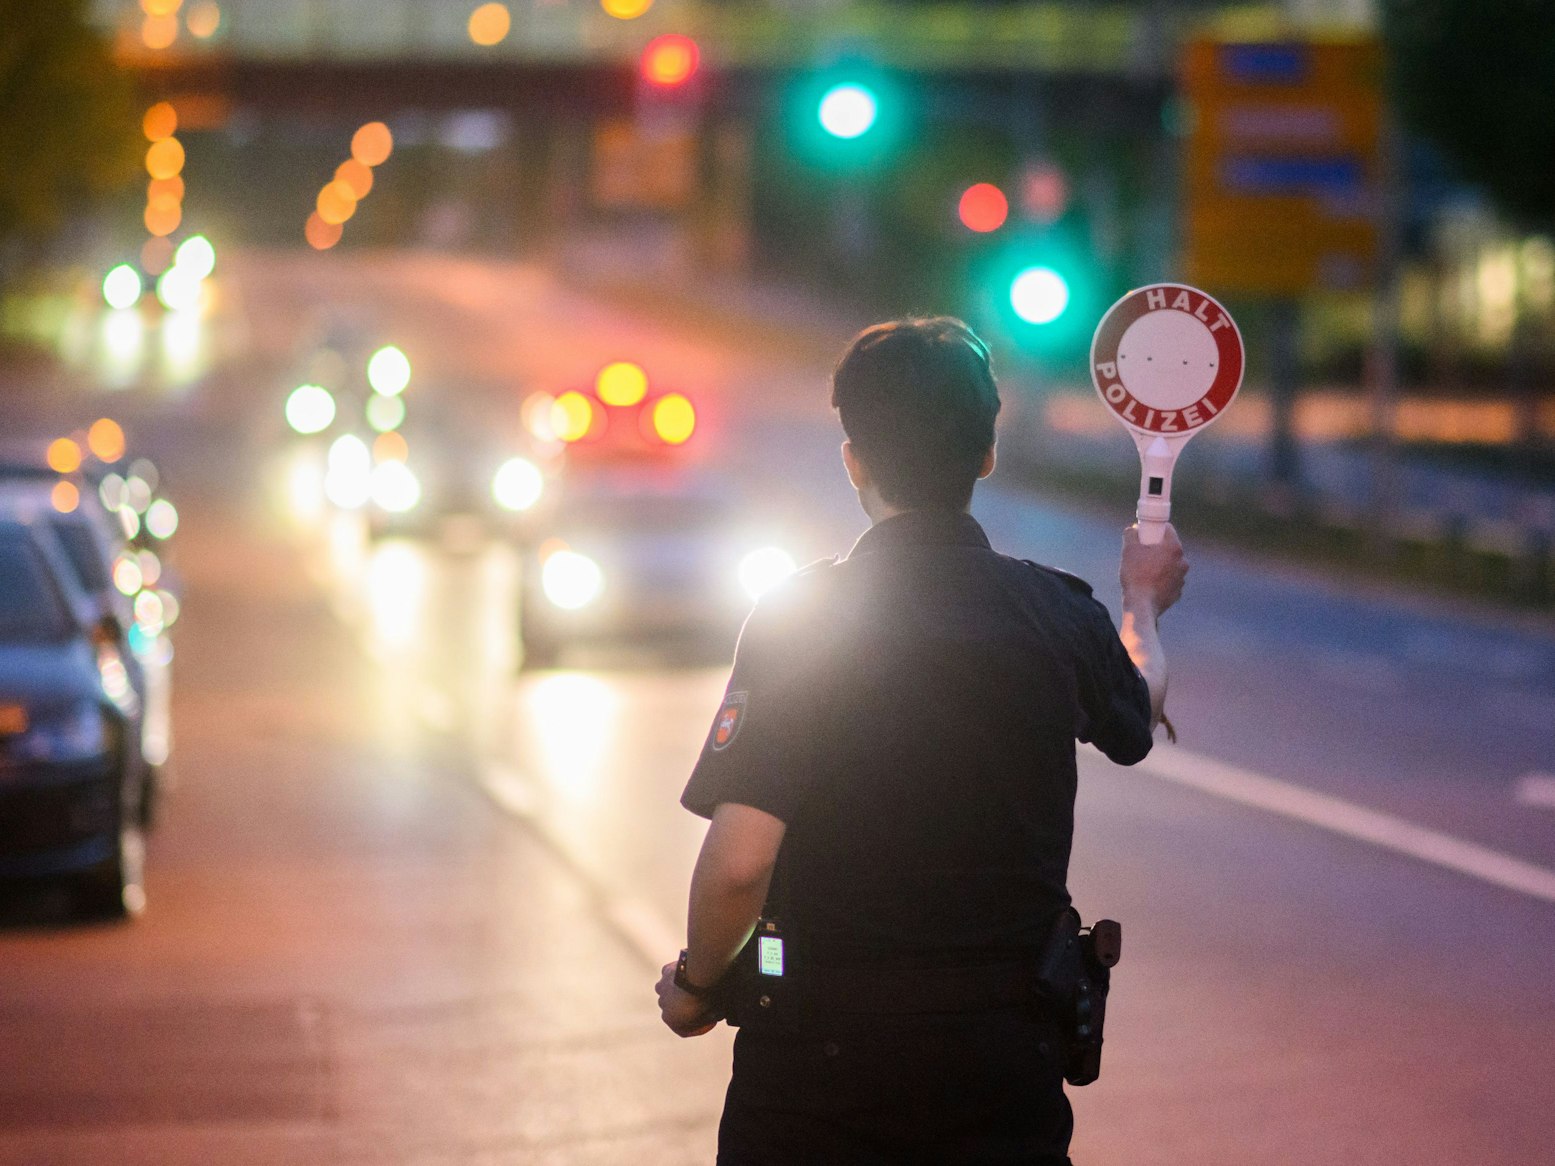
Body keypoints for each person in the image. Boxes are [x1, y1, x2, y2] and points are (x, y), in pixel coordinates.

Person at [656, 317, 1188, 1165]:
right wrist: (1143, 605)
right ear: (985, 455)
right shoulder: (1055, 612)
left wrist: (695, 987)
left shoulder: (802, 618)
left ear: (853, 461)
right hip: (1001, 1067)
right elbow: (1137, 708)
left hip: (817, 1074)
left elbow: (739, 865)